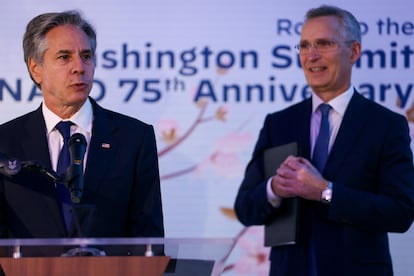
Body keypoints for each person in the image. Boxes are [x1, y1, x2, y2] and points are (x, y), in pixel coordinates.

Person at [234, 5, 414, 276]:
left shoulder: (386, 125)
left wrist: (325, 192)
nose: (311, 55)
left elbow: (400, 213)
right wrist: (274, 188)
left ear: (353, 52)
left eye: (323, 43)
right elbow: (245, 208)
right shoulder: (279, 123)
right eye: (304, 46)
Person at [0, 11, 164, 242]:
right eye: (64, 57)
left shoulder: (134, 138)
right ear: (36, 68)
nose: (80, 67)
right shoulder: (5, 141)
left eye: (86, 56)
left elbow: (148, 240)